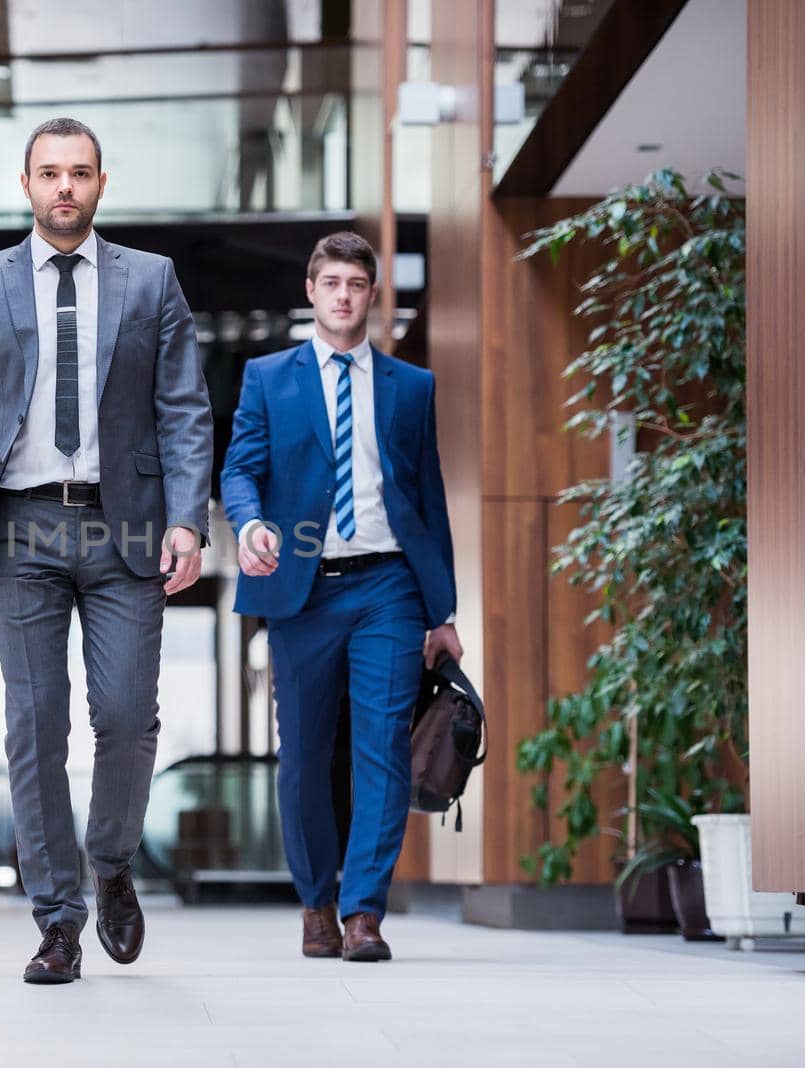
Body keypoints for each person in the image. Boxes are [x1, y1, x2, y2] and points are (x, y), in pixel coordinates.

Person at [0, 117, 212, 984]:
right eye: (49, 173)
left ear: (100, 183)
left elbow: (185, 410)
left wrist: (188, 520)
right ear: (26, 185)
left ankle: (113, 858)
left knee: (125, 715)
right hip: (19, 527)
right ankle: (56, 917)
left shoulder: (152, 281)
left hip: (127, 526)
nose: (64, 188)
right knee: (34, 724)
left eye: (79, 173)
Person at [219, 232, 460, 963]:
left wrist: (442, 611)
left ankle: (363, 911)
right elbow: (240, 469)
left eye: (357, 283)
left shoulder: (411, 387)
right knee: (302, 758)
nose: (345, 295)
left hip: (389, 584)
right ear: (312, 291)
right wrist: (251, 524)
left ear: (372, 293)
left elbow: (428, 498)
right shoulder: (268, 377)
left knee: (382, 746)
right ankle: (316, 902)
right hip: (302, 587)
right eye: (332, 283)